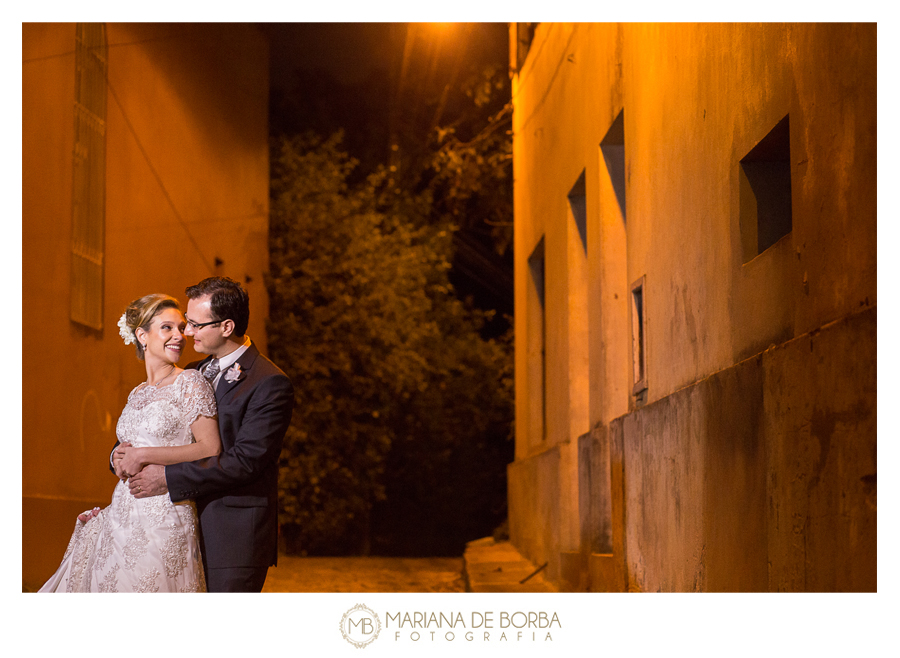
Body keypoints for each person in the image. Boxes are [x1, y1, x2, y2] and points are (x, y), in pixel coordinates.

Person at [120, 276, 294, 592]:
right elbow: (160, 434)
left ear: (226, 327)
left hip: (232, 535)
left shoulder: (268, 383)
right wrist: (117, 455)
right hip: (179, 530)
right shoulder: (194, 371)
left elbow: (245, 462)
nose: (187, 332)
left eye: (197, 325)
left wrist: (169, 478)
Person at [40, 294, 220, 592]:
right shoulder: (136, 393)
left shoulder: (190, 382)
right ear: (142, 335)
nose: (180, 336)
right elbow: (128, 448)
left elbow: (209, 447)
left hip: (165, 516)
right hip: (121, 516)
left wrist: (144, 454)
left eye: (181, 327)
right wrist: (117, 458)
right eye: (167, 328)